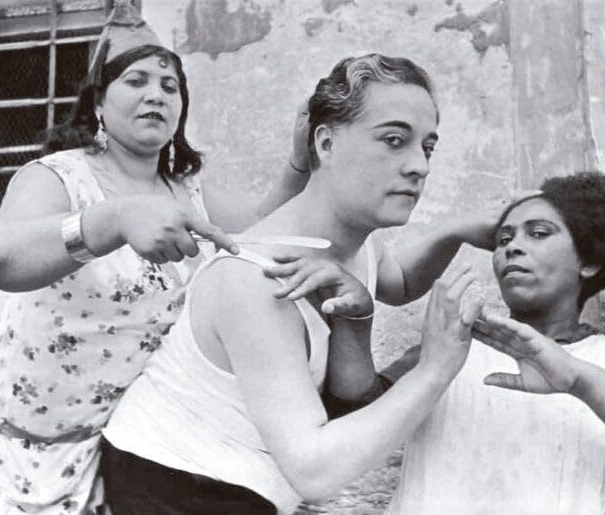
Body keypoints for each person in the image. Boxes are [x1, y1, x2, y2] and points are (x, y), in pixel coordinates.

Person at [100, 52, 500, 515]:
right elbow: (315, 473)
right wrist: (436, 366)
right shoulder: (257, 277)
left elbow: (399, 281)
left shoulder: (356, 245)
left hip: (251, 490)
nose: (419, 167)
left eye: (427, 148)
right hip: (174, 489)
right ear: (326, 144)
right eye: (394, 140)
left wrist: (456, 230)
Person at [0, 1, 311, 513]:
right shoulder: (59, 176)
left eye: (170, 87)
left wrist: (299, 163)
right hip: (17, 450)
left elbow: (257, 231)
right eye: (137, 80)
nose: (156, 94)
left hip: (115, 450)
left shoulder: (189, 193)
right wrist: (116, 220)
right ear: (99, 102)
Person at [377, 172, 605, 514]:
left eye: (538, 233)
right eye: (502, 239)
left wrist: (578, 379)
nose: (511, 246)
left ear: (589, 261)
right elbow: (352, 419)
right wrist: (451, 230)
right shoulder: (454, 345)